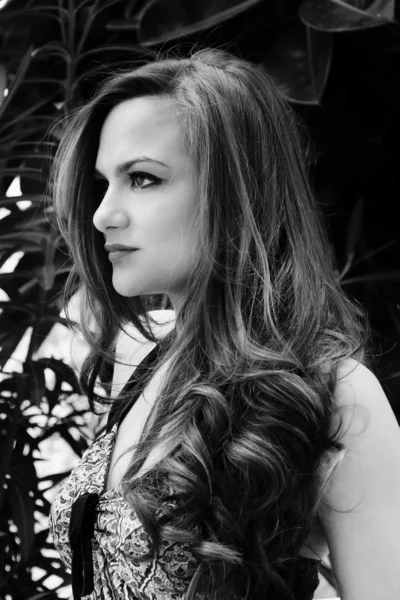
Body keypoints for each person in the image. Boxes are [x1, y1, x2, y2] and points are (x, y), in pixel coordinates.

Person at [48, 46, 400, 600]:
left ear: (235, 189)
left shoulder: (340, 395)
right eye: (102, 183)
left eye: (142, 179)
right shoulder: (139, 362)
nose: (102, 214)